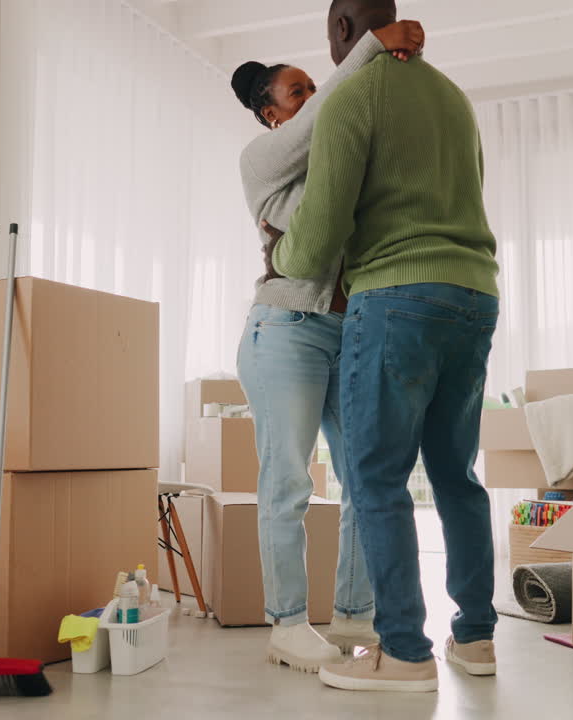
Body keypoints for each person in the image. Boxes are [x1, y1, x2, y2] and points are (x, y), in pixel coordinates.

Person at [266, 0, 500, 693]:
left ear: (341, 31)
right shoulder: (454, 98)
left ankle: (402, 652)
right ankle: (477, 638)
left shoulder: (354, 96)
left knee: (373, 476)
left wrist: (283, 254)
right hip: (475, 295)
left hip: (397, 296)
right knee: (456, 473)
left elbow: (320, 234)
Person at [230, 19, 427, 673]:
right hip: (285, 332)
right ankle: (287, 624)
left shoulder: (343, 167)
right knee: (287, 478)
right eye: (297, 92)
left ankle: (351, 615)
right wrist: (371, 46)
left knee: (366, 478)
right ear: (270, 115)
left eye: (317, 86)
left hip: (351, 336)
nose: (314, 98)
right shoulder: (261, 161)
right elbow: (324, 145)